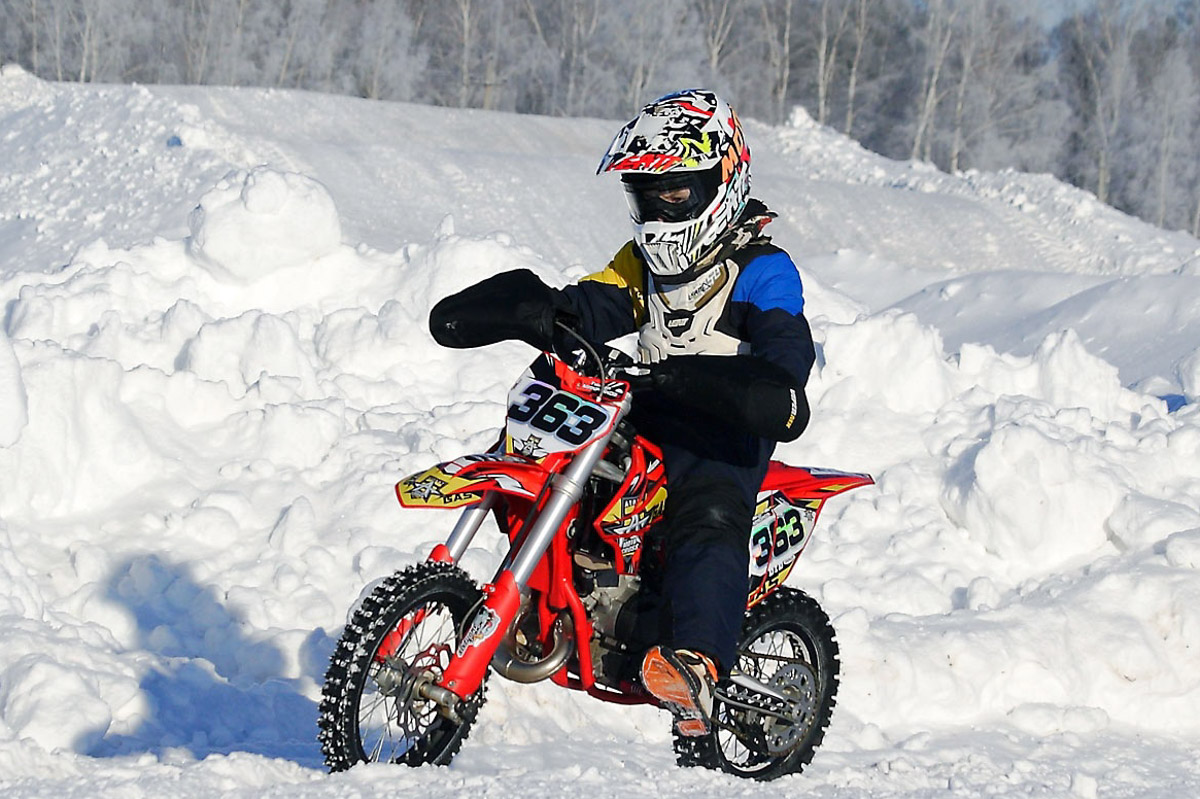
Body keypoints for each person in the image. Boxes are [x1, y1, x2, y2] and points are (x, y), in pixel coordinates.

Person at [428, 89, 815, 737]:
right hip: (652, 403)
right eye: (645, 192)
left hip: (730, 425)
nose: (657, 208)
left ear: (720, 182)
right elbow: (595, 304)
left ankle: (696, 661)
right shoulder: (642, 263)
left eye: (673, 192)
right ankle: (549, 595)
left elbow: (785, 346)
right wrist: (546, 313)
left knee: (709, 511)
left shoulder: (764, 270)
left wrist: (777, 382)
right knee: (563, 450)